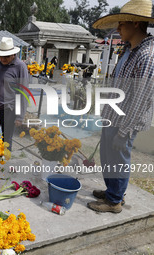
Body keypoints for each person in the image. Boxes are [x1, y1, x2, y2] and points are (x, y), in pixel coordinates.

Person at [87, 0, 154, 213]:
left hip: (126, 120)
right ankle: (113, 191)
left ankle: (114, 201)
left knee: (119, 157)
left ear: (135, 23)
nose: (118, 29)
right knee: (108, 156)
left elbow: (140, 99)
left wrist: (124, 131)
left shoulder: (147, 55)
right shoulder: (128, 50)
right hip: (114, 115)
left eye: (121, 24)